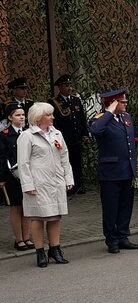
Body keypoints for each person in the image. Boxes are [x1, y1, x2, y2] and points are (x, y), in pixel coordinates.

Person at [17, 102, 74, 267]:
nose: (52, 117)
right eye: (49, 115)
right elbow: (23, 163)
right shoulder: (27, 136)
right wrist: (28, 185)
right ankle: (40, 252)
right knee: (38, 217)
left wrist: (68, 178)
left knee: (55, 216)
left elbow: (64, 157)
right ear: (38, 117)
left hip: (55, 182)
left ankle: (55, 250)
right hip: (38, 183)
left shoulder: (57, 133)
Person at [89, 89, 138, 253]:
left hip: (128, 170)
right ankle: (111, 239)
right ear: (112, 103)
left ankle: (123, 236)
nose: (126, 104)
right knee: (111, 208)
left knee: (126, 205)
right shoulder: (100, 119)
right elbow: (95, 131)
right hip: (111, 172)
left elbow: (133, 142)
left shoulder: (126, 117)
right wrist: (109, 112)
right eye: (122, 102)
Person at [0, 104, 33, 251]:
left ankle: (27, 237)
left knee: (27, 206)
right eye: (17, 115)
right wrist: (2, 178)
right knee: (16, 206)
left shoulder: (29, 132)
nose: (21, 117)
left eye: (23, 114)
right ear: (9, 117)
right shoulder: (4, 135)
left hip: (28, 174)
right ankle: (18, 239)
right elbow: (2, 158)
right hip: (12, 176)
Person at [49, 75, 88, 195]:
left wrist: (84, 134)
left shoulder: (76, 100)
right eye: (66, 86)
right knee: (65, 163)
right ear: (60, 87)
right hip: (63, 138)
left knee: (77, 162)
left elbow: (81, 118)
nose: (69, 88)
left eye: (70, 85)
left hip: (76, 137)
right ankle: (67, 187)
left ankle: (78, 185)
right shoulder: (54, 102)